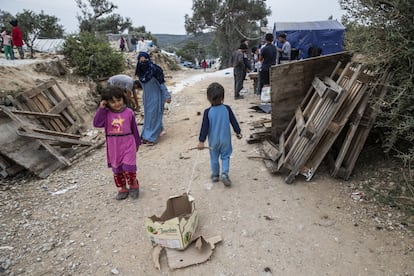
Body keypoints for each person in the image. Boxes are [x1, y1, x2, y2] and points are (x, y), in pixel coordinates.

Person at [93, 86, 141, 200]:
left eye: (119, 100)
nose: (116, 104)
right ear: (106, 102)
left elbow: (134, 128)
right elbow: (97, 124)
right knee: (118, 168)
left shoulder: (129, 112)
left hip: (128, 142)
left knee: (129, 167)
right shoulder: (105, 114)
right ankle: (122, 188)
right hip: (114, 145)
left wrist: (137, 143)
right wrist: (101, 109)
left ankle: (134, 186)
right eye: (112, 102)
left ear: (123, 99)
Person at [197, 82, 242, 187]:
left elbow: (204, 128)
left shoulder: (208, 112)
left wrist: (201, 141)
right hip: (226, 140)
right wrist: (238, 132)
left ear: (208, 98)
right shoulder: (227, 109)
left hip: (214, 141)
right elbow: (233, 121)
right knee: (225, 157)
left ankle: (215, 175)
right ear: (223, 97)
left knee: (214, 158)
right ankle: (225, 174)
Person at [135, 51, 171, 145]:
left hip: (156, 97)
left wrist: (167, 96)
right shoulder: (140, 71)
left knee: (154, 117)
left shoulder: (155, 70)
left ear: (148, 59)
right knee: (148, 117)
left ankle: (151, 138)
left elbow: (161, 84)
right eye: (140, 60)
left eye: (144, 60)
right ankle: (146, 135)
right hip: (146, 98)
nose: (142, 63)